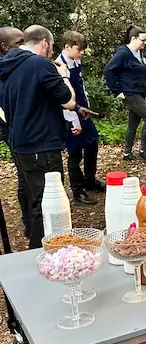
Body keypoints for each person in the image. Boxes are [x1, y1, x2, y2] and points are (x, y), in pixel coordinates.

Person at [0, 25, 76, 248]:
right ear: (44, 43)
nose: (52, 52)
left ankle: (40, 247)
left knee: (36, 201)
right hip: (42, 145)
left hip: (21, 145)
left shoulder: (8, 67)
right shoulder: (40, 64)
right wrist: (64, 77)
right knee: (49, 203)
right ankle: (44, 251)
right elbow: (68, 101)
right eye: (52, 47)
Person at [55, 31, 102, 206]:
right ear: (67, 47)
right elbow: (64, 98)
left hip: (83, 111)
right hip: (70, 115)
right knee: (75, 153)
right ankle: (78, 190)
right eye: (79, 49)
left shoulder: (76, 61)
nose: (82, 53)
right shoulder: (60, 66)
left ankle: (90, 180)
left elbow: (81, 87)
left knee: (92, 144)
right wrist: (74, 121)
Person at [104, 25, 146, 163]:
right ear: (133, 38)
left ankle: (127, 153)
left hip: (139, 92)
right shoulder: (123, 53)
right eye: (142, 40)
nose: (145, 43)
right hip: (130, 94)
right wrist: (117, 91)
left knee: (133, 123)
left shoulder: (139, 53)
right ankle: (144, 151)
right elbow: (109, 70)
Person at [0, 27, 29, 237]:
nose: (24, 46)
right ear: (4, 46)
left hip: (22, 128)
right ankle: (29, 222)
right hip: (12, 129)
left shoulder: (20, 64)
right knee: (24, 176)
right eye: (20, 42)